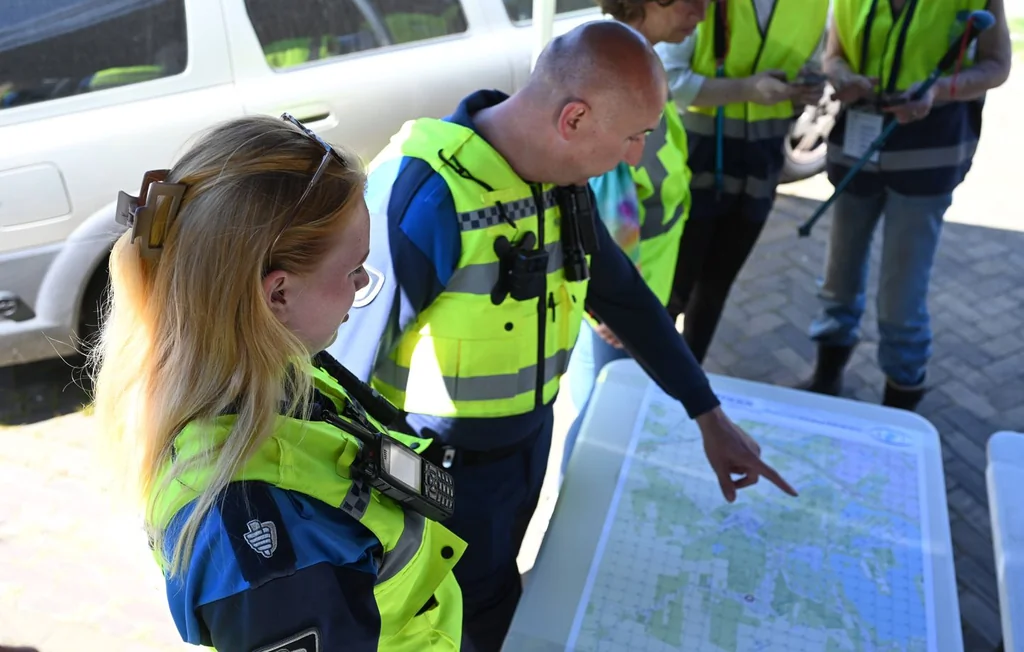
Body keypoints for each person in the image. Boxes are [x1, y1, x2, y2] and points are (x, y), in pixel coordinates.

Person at [327, 20, 798, 652]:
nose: (635, 156)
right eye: (632, 136)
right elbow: (335, 384)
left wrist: (707, 414)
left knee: (494, 607)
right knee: (431, 621)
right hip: (434, 482)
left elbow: (626, 300)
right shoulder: (425, 198)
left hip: (521, 461)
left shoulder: (560, 186)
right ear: (574, 119)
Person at [89, 114, 467, 651]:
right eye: (354, 269)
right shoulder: (253, 533)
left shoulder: (270, 369)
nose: (363, 284)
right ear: (278, 295)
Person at [798, 0, 1011, 410]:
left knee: (902, 293)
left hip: (929, 153)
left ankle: (900, 400)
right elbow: (834, 55)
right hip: (856, 149)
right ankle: (825, 379)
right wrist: (844, 77)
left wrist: (937, 89)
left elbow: (997, 66)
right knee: (838, 274)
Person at [561, 0, 710, 474]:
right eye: (694, 1)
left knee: (606, 403)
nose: (702, 15)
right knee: (603, 415)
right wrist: (609, 306)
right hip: (620, 300)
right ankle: (580, 501)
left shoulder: (641, 68)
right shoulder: (621, 81)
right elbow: (607, 206)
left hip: (635, 289)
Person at [658, 0, 831, 363]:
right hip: (694, 166)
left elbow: (810, 66)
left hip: (759, 169)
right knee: (672, 291)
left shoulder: (816, 6)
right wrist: (748, 89)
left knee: (715, 288)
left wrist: (808, 89)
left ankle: (688, 385)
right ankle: (650, 384)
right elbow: (669, 80)